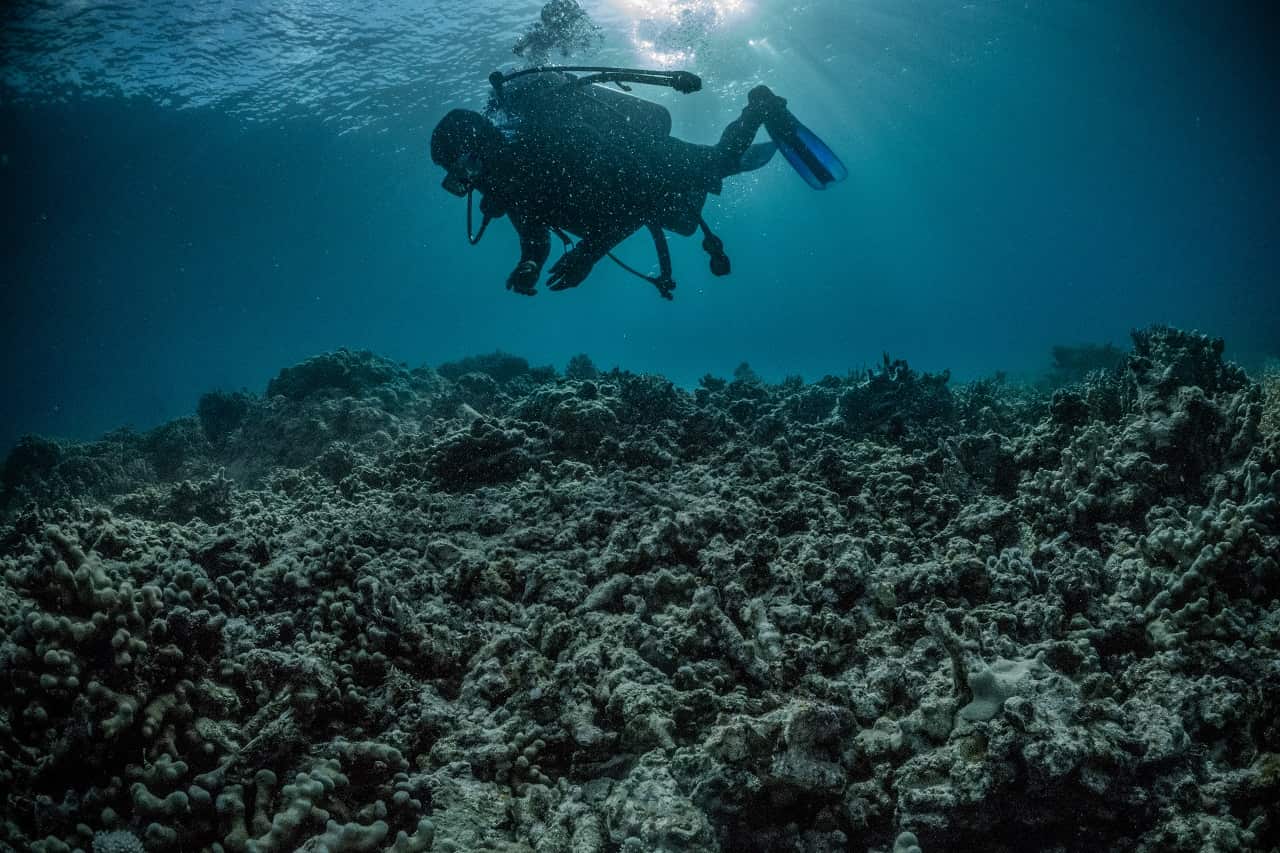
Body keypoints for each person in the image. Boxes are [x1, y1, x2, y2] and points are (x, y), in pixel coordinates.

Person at [430, 70, 843, 298]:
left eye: (465, 166)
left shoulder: (548, 147)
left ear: (481, 144)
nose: (468, 180)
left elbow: (630, 203)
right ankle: (748, 154)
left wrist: (588, 255)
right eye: (458, 178)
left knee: (718, 162)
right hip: (628, 195)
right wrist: (530, 265)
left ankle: (757, 107)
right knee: (684, 221)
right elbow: (533, 232)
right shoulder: (509, 183)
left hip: (645, 162)